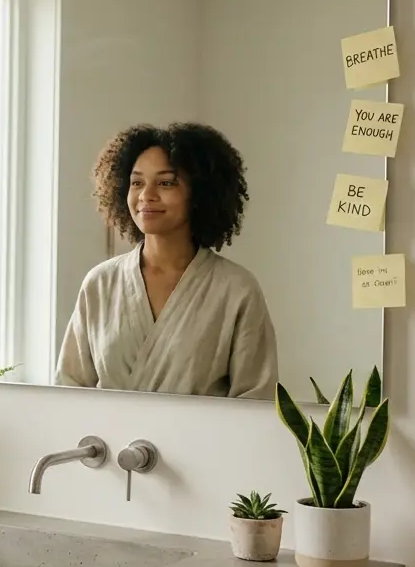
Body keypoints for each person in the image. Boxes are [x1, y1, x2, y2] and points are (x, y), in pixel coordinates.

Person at [54, 122, 278, 399]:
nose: (146, 195)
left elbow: (256, 399)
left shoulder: (237, 289)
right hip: (106, 430)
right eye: (137, 182)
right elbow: (69, 389)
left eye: (165, 183)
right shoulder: (100, 283)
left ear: (199, 193)